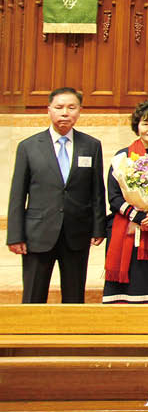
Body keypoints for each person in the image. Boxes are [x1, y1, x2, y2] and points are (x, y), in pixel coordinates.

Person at [7, 87, 106, 304]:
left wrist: (98, 227)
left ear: (79, 111)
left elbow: (97, 191)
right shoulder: (29, 147)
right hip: (38, 234)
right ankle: (30, 334)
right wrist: (15, 235)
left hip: (76, 232)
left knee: (74, 295)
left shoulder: (91, 146)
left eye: (71, 107)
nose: (65, 113)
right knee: (33, 294)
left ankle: (71, 335)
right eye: (59, 107)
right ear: (49, 110)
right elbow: (17, 194)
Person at [103, 100, 148, 304]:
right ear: (137, 126)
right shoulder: (122, 156)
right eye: (145, 123)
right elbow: (114, 196)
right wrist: (138, 216)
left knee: (145, 278)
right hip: (123, 226)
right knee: (120, 282)